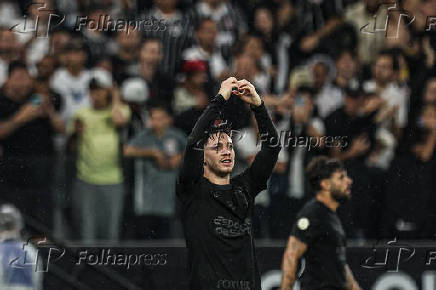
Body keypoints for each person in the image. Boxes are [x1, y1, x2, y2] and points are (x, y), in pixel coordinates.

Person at [176, 77, 281, 289]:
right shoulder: (193, 190)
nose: (226, 151)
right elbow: (193, 142)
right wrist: (220, 99)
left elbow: (271, 148)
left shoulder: (244, 187)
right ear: (202, 158)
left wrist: (258, 105)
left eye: (230, 146)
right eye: (217, 147)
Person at [280, 156, 361, 290]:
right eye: (341, 177)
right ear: (325, 184)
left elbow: (339, 264)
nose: (349, 181)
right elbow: (291, 255)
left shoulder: (331, 217)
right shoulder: (312, 214)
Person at [68, 72, 131, 241]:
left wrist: (116, 96)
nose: (96, 94)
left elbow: (118, 121)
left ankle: (109, 268)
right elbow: (70, 147)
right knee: (87, 231)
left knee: (111, 232)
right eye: (93, 90)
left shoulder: (120, 110)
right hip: (86, 178)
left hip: (113, 178)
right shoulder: (81, 114)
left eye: (100, 90)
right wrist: (75, 134)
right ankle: (88, 267)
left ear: (107, 91)